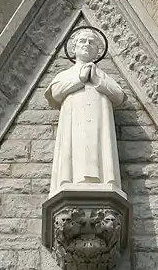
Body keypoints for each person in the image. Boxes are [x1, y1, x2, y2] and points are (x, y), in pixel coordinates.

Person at [45, 28, 125, 197]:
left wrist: (97, 81)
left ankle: (104, 179)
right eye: (82, 41)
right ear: (74, 48)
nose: (87, 45)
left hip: (99, 123)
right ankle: (70, 180)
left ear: (98, 51)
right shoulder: (66, 74)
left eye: (92, 42)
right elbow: (56, 92)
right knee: (74, 153)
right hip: (74, 124)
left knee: (100, 149)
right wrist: (79, 79)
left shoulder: (102, 76)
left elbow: (119, 96)